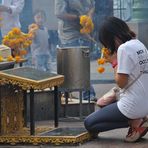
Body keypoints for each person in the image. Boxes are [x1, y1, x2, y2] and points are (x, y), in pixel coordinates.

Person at [84, 16, 148, 142]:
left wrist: (114, 62)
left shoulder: (124, 48)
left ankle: (135, 121)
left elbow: (121, 83)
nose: (108, 47)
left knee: (90, 124)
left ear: (113, 37)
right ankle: (139, 119)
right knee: (102, 102)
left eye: (107, 43)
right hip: (145, 104)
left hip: (131, 105)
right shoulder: (139, 44)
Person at [55, 0, 96, 100]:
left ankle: (84, 94)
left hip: (83, 33)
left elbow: (92, 5)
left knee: (83, 64)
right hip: (69, 34)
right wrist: (78, 18)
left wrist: (89, 16)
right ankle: (82, 94)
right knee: (73, 65)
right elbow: (59, 13)